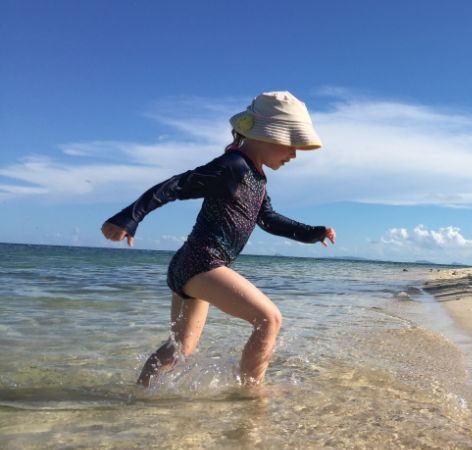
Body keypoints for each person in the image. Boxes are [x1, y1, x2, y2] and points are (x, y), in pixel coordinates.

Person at [101, 91, 335, 388]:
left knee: (180, 349)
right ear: (267, 135)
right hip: (202, 262)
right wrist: (129, 217)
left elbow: (269, 219)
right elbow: (177, 185)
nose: (294, 155)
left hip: (192, 264)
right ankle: (251, 394)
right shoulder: (232, 166)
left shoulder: (256, 177)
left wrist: (312, 233)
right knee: (269, 319)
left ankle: (138, 396)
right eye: (292, 144)